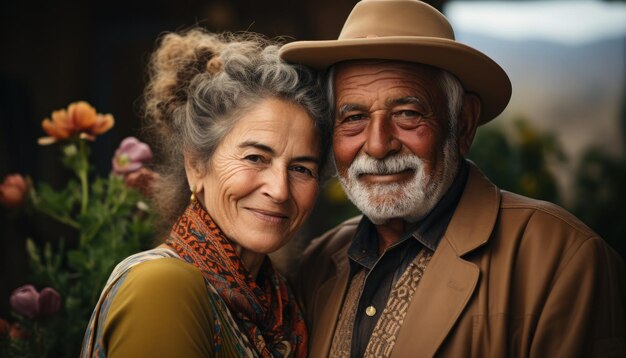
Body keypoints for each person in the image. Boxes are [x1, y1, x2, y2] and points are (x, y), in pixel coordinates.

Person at [279, 0, 626, 356]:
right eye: (353, 117)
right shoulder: (317, 264)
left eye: (407, 113)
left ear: (462, 124)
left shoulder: (562, 258)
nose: (378, 145)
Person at [81, 28, 331, 357]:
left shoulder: (276, 305)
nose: (279, 189)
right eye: (255, 158)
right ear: (196, 165)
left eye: (301, 168)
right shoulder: (162, 285)